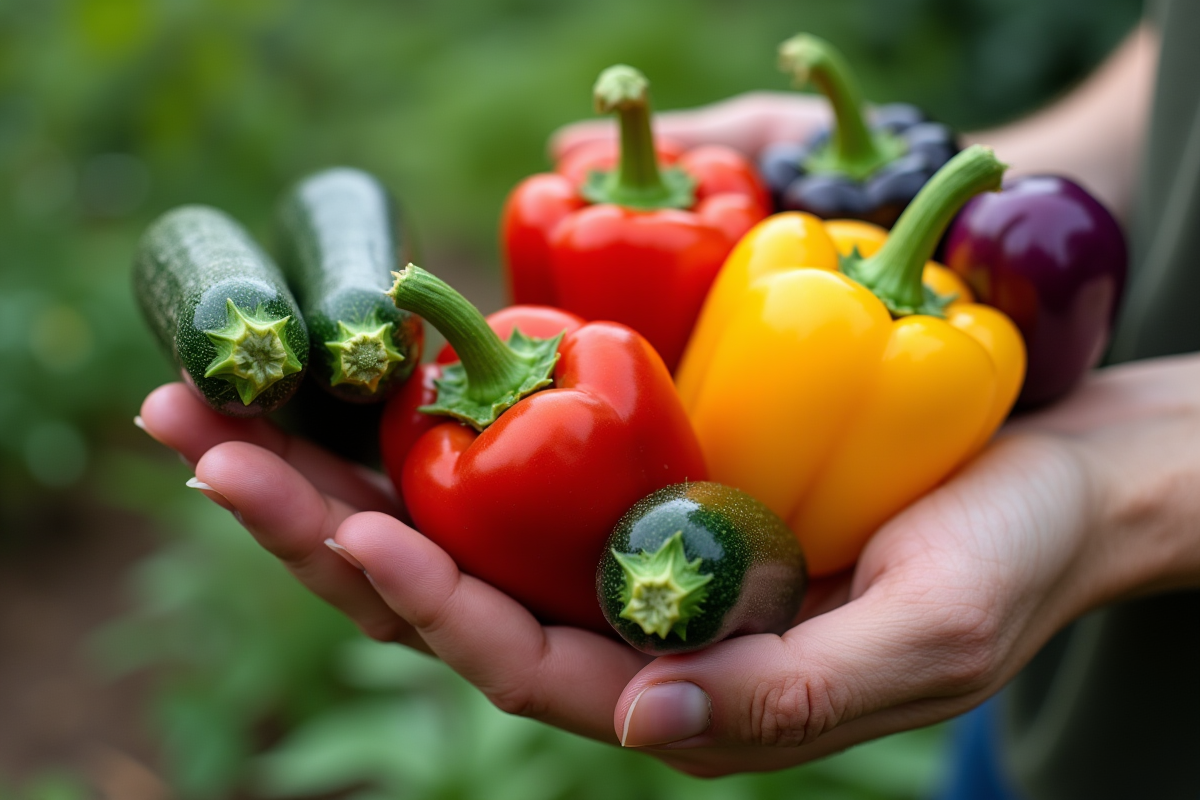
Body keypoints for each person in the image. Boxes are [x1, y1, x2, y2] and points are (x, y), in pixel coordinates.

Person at [137, 4, 1200, 796]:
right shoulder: (781, 248)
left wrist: (1120, 501)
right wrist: (947, 189)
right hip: (1054, 714)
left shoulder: (877, 309)